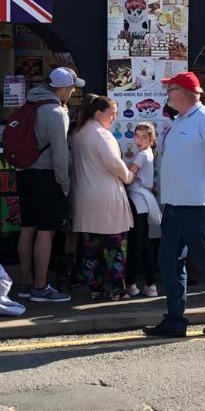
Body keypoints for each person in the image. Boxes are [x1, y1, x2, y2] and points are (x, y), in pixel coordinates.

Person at [144, 71, 205, 338]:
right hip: (176, 204)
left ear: (185, 92)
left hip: (195, 205)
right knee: (170, 263)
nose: (167, 94)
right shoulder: (181, 119)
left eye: (171, 89)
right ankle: (175, 320)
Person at [16, 66, 84, 303]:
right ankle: (40, 286)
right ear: (63, 88)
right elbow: (60, 154)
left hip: (24, 173)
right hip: (46, 175)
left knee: (28, 228)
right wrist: (64, 184)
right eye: (73, 87)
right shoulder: (56, 112)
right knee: (46, 231)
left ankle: (25, 283)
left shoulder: (30, 104)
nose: (74, 91)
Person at [71, 94, 134, 300]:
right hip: (106, 197)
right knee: (114, 246)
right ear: (98, 113)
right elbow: (114, 163)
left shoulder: (79, 133)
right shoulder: (102, 134)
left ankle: (95, 287)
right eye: (112, 114)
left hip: (84, 196)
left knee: (91, 247)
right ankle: (116, 289)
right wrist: (128, 175)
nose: (114, 118)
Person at [125, 122, 160, 298]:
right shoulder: (147, 154)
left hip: (137, 200)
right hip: (143, 201)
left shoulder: (141, 156)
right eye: (137, 136)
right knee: (145, 243)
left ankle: (131, 283)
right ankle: (150, 284)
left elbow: (129, 176)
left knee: (135, 244)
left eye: (144, 136)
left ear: (151, 138)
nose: (139, 139)